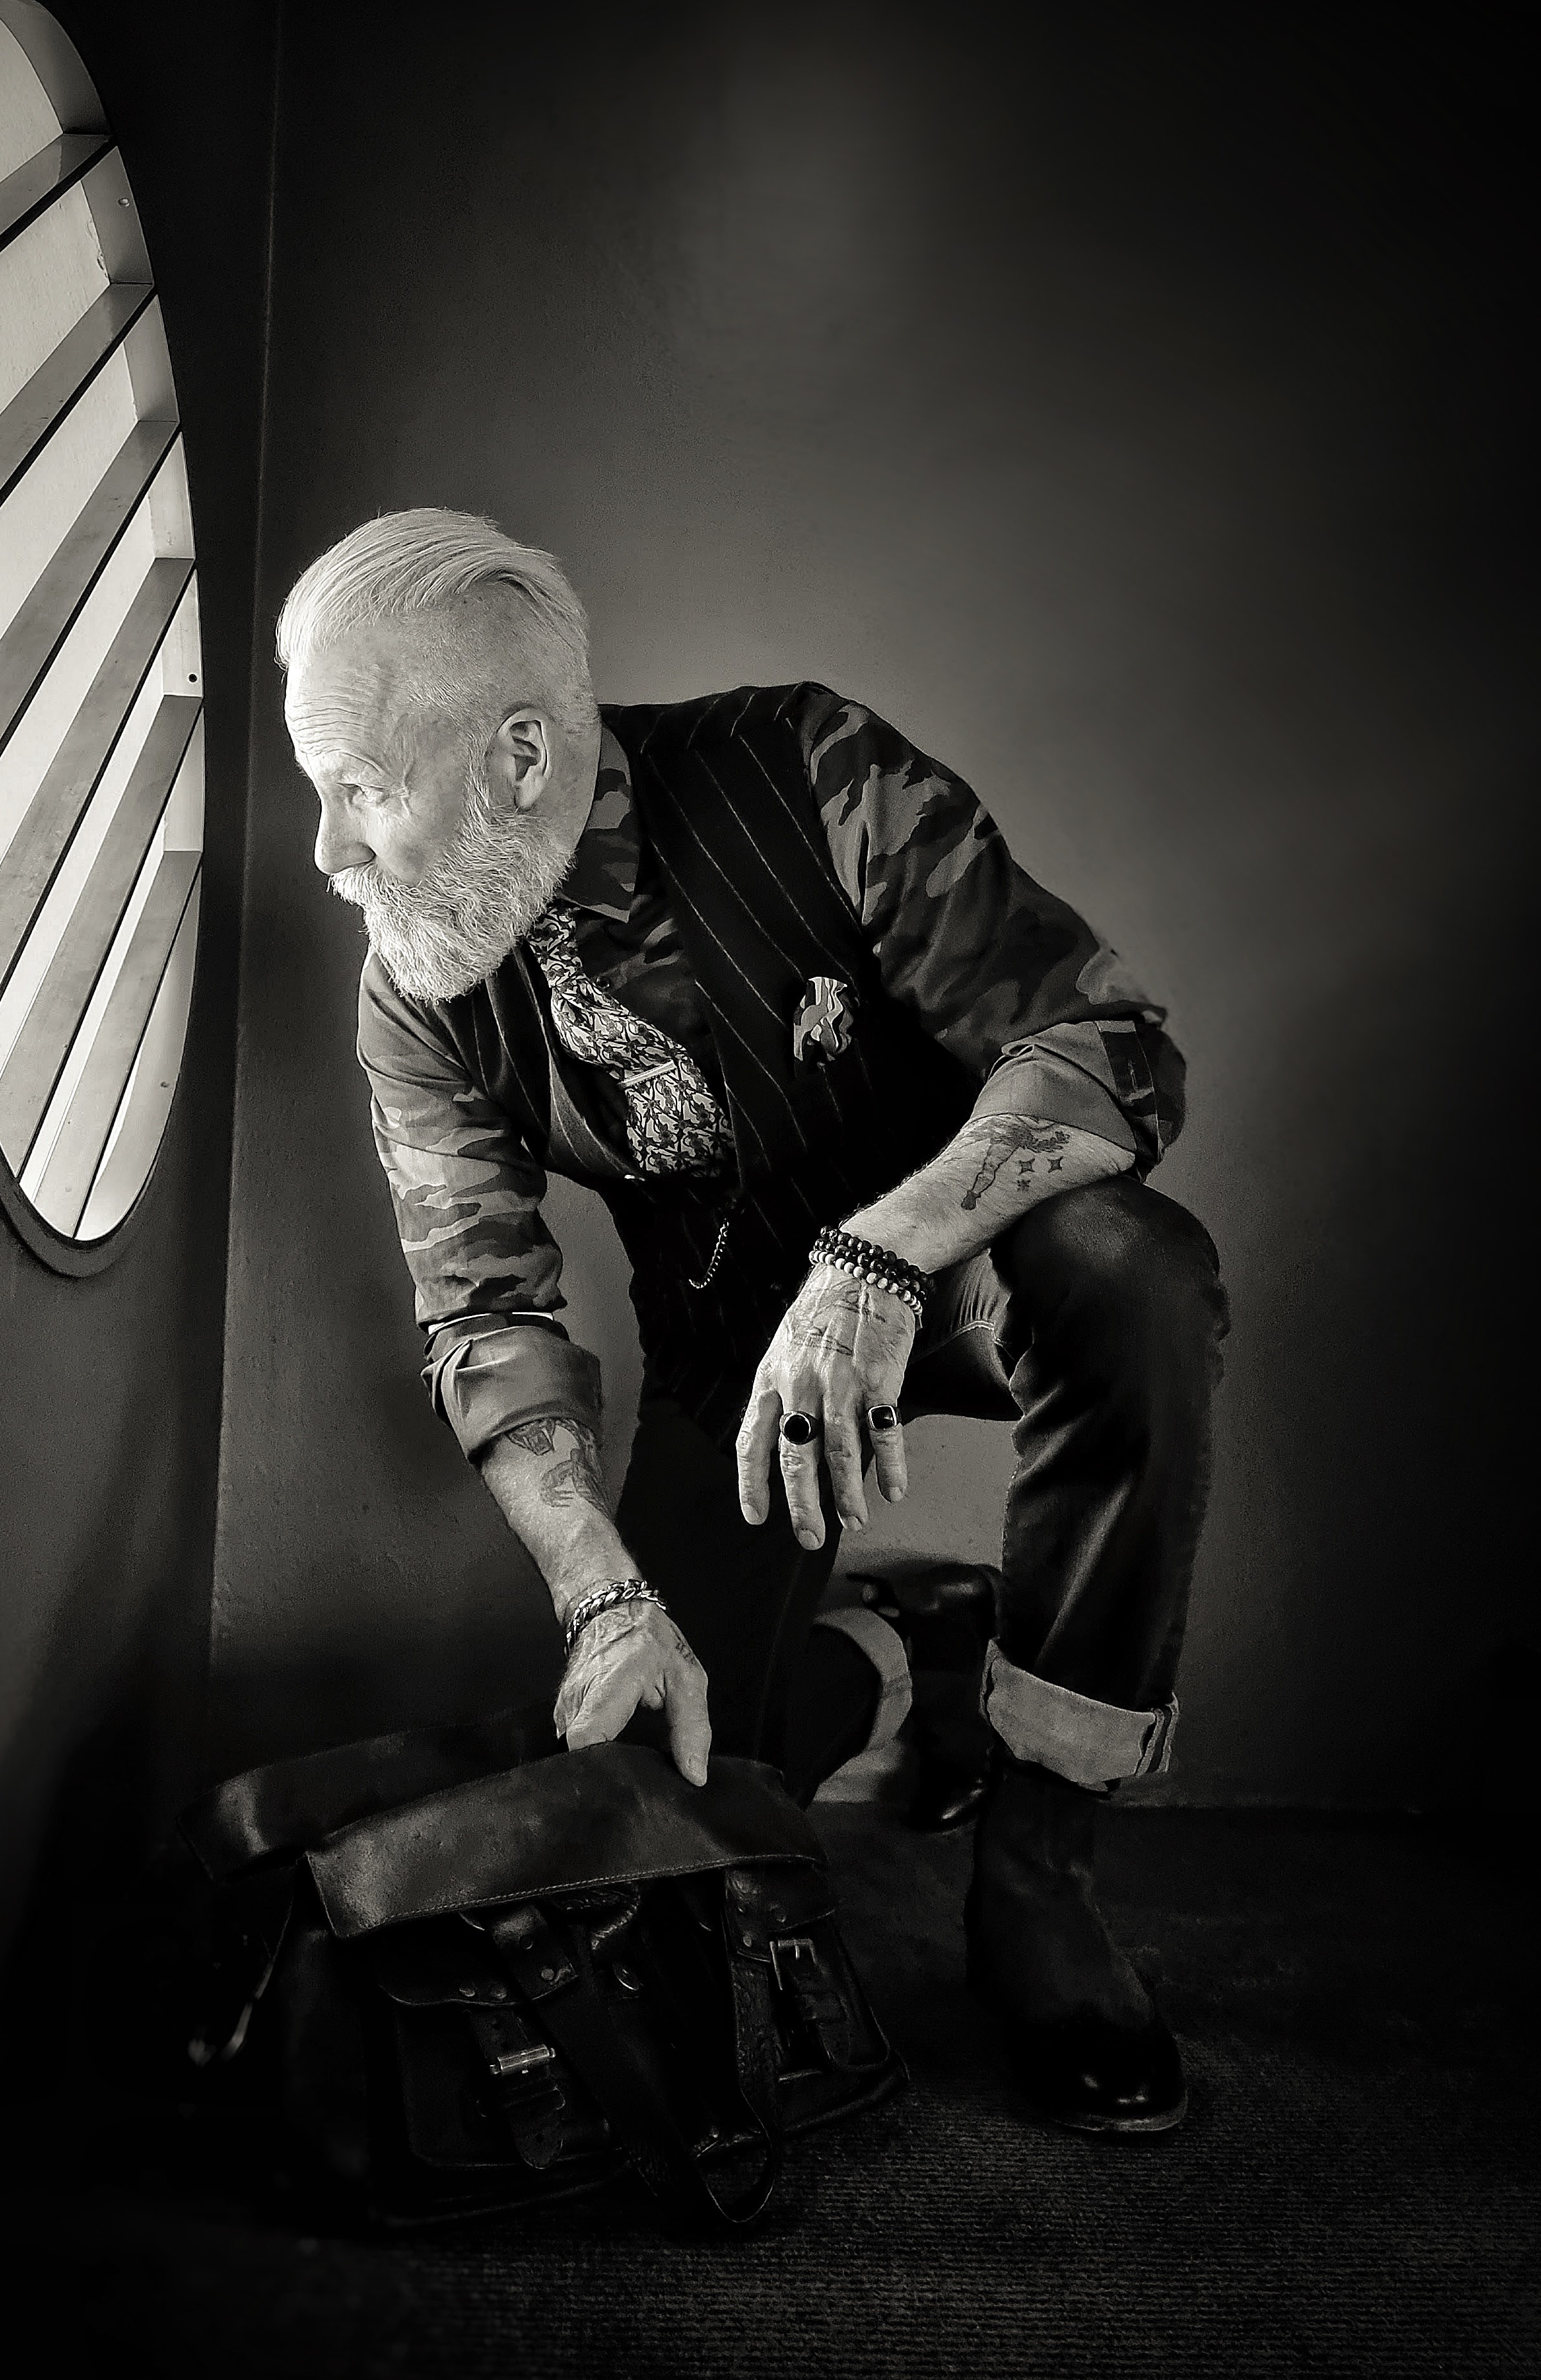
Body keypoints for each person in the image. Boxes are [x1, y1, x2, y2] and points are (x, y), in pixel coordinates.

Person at [278, 508, 1227, 2134]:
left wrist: (880, 1256)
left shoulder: (811, 769)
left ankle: (1041, 1877)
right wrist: (601, 1597)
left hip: (965, 1274)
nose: (326, 851)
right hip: (734, 1370)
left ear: (520, 756)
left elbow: (1105, 1039)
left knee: (1138, 1272)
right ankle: (914, 1648)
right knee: (680, 1784)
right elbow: (485, 1313)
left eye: (359, 787)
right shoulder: (413, 996)